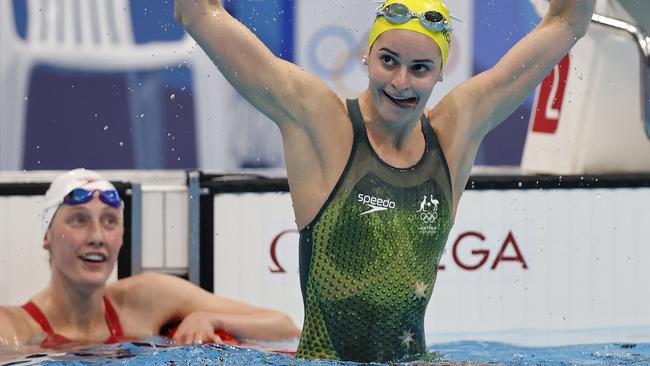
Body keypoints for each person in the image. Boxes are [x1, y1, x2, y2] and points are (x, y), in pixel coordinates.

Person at [174, 0, 596, 362]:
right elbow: (197, 13)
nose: (400, 81)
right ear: (366, 56)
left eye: (420, 68)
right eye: (388, 60)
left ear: (440, 72)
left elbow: (568, 23)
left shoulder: (453, 134)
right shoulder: (326, 126)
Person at [0, 168, 300, 351]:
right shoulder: (11, 328)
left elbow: (284, 327)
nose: (97, 236)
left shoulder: (147, 297)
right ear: (47, 236)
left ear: (121, 236)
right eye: (79, 220)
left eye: (109, 222)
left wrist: (210, 317)